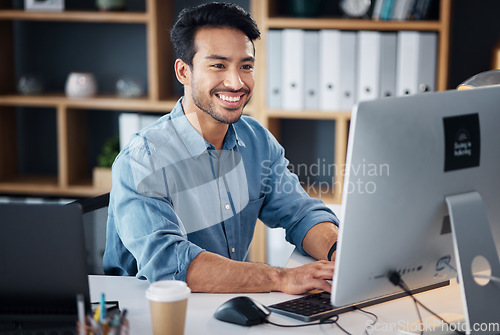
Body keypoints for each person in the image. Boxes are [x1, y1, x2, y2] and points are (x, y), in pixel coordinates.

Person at [103, 2, 339, 294]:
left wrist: (337, 252)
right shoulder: (142, 161)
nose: (236, 82)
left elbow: (302, 214)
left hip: (225, 305)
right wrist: (281, 278)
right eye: (218, 65)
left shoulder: (256, 141)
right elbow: (171, 264)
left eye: (246, 66)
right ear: (183, 72)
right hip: (148, 312)